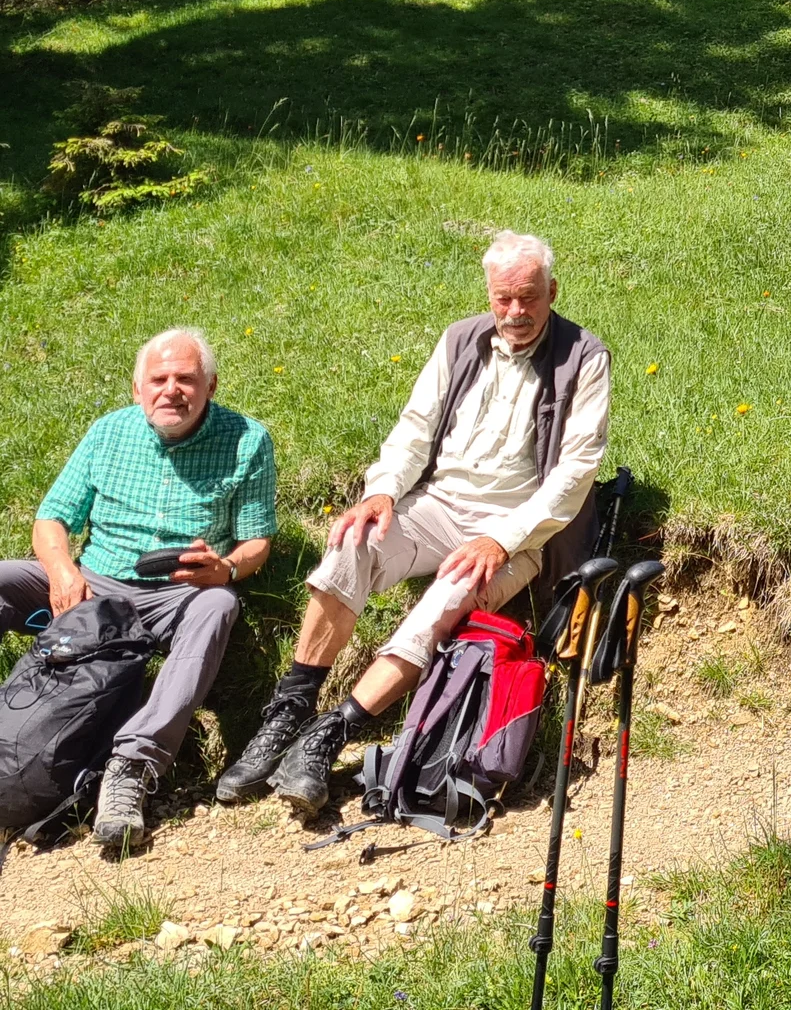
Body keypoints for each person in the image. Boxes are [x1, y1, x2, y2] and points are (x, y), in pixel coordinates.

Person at [216, 230, 610, 816]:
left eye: (529, 297)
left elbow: (574, 473)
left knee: (451, 592)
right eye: (503, 299)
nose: (516, 312)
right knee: (352, 541)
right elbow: (414, 428)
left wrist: (501, 539)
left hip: (518, 533)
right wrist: (380, 492)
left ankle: (332, 734)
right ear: (489, 294)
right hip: (437, 507)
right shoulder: (460, 340)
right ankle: (289, 711)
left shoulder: (585, 355)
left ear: (553, 290)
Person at [0, 328, 276, 848]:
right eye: (159, 379)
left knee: (220, 605)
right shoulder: (107, 433)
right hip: (94, 582)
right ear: (137, 389)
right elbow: (51, 519)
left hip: (180, 591)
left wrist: (227, 569)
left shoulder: (247, 440)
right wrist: (62, 571)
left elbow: (258, 540)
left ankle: (131, 768)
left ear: (210, 386)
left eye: (186, 379)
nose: (171, 390)